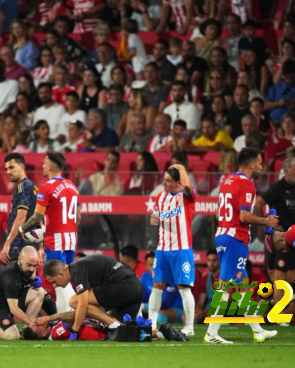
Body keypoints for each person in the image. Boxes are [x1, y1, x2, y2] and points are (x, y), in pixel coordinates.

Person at [204, 147, 279, 344]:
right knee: (226, 286)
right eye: (260, 162)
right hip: (235, 237)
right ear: (252, 164)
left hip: (222, 234)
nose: (262, 166)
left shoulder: (226, 180)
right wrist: (266, 221)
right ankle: (211, 333)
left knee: (243, 286)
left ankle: (257, 330)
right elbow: (244, 216)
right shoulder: (247, 184)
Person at [18, 150, 80, 312]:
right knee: (66, 281)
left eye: (45, 163)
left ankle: (65, 322)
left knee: (58, 284)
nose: (42, 166)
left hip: (56, 240)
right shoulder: (72, 186)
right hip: (71, 238)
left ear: (51, 166)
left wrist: (22, 229)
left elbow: (37, 217)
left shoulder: (46, 188)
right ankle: (75, 316)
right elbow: (78, 217)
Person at [147, 164, 196, 336]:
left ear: (177, 183)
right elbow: (158, 215)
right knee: (157, 285)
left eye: (168, 181)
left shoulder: (186, 196)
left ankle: (189, 327)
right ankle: (151, 324)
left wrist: (182, 168)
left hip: (181, 249)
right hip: (162, 249)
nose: (164, 183)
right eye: (164, 180)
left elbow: (189, 186)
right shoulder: (161, 197)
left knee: (183, 287)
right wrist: (156, 217)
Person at [43, 255, 143, 336]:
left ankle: (113, 324)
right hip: (135, 287)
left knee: (74, 301)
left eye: (54, 281)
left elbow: (82, 305)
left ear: (61, 274)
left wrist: (74, 330)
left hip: (125, 286)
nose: (54, 285)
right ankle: (155, 333)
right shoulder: (82, 266)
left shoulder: (77, 271)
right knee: (124, 332)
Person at [255, 155, 295, 308]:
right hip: (279, 239)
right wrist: (264, 225)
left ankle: (271, 309)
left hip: (291, 238)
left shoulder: (292, 187)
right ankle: (278, 314)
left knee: (290, 277)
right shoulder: (278, 187)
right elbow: (259, 202)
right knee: (279, 278)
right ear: (286, 171)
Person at [0, 246, 46, 340]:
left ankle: (26, 331)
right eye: (29, 265)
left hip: (7, 301)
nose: (32, 269)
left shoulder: (23, 267)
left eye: (34, 266)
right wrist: (32, 324)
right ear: (20, 259)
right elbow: (14, 309)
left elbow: (32, 275)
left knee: (39, 292)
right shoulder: (10, 275)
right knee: (13, 336)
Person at [0, 153, 38, 264]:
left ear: (21, 167)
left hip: (20, 245)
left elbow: (21, 217)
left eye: (11, 167)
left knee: (16, 279)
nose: (8, 172)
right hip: (28, 243)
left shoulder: (24, 186)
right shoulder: (32, 186)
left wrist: (7, 243)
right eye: (6, 169)